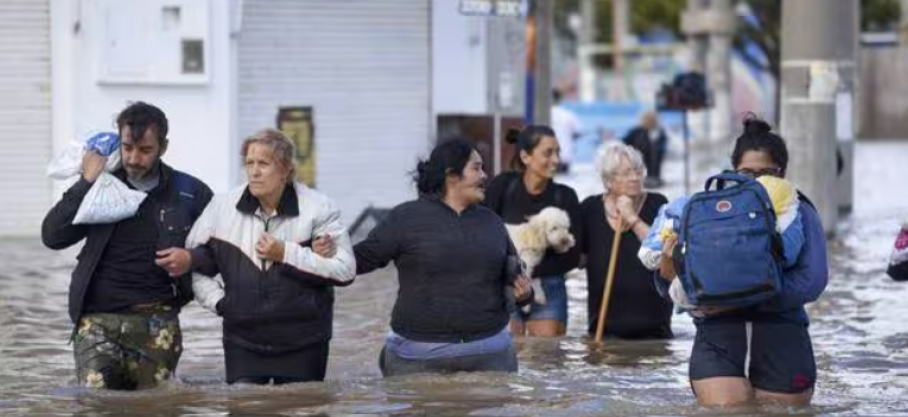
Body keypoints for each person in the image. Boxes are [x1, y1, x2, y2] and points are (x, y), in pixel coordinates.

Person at [41, 101, 213, 390]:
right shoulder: (101, 187)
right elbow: (53, 236)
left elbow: (221, 253)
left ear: (164, 146)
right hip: (96, 322)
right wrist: (86, 181)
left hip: (158, 320)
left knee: (156, 407)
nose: (133, 158)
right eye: (127, 147)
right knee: (97, 404)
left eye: (145, 150)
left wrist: (192, 258)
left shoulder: (190, 192)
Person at [658, 117, 828, 406]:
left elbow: (812, 280)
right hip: (719, 339)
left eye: (766, 173)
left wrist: (743, 298)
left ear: (782, 173)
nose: (756, 181)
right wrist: (666, 271)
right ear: (732, 171)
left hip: (782, 337)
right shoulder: (708, 210)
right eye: (746, 173)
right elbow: (672, 283)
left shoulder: (801, 212)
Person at [174, 128, 355, 385]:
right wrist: (220, 303)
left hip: (304, 341)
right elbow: (192, 263)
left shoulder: (319, 208)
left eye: (263, 164)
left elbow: (345, 270)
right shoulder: (221, 207)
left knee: (301, 408)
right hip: (242, 340)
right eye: (249, 163)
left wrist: (286, 253)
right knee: (245, 408)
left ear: (285, 170)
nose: (254, 172)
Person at [352, 138, 534, 376]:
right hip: (417, 357)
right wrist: (312, 253)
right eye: (477, 168)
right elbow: (355, 262)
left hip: (490, 356)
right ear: (452, 175)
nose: (485, 175)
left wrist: (524, 294)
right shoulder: (405, 218)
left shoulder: (492, 222)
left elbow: (513, 283)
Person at [484, 126, 581, 337]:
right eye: (548, 153)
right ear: (525, 156)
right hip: (503, 285)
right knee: (507, 355)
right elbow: (483, 236)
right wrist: (512, 275)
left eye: (558, 152)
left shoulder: (566, 197)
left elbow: (573, 256)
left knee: (546, 357)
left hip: (549, 286)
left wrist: (530, 274)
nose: (556, 160)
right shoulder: (501, 187)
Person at [579, 142, 673, 339]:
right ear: (608, 180)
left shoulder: (658, 204)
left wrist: (633, 218)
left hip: (654, 329)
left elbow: (662, 249)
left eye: (638, 171)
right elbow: (578, 259)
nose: (635, 177)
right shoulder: (589, 209)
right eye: (626, 173)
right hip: (603, 328)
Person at [622, 110, 668, 188]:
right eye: (648, 119)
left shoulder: (658, 131)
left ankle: (653, 178)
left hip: (653, 169)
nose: (649, 121)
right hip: (639, 163)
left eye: (652, 119)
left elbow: (662, 146)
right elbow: (625, 141)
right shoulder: (636, 131)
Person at [550, 90, 583, 173]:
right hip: (564, 157)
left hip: (547, 158)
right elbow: (578, 133)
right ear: (560, 99)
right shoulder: (568, 115)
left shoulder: (542, 114)